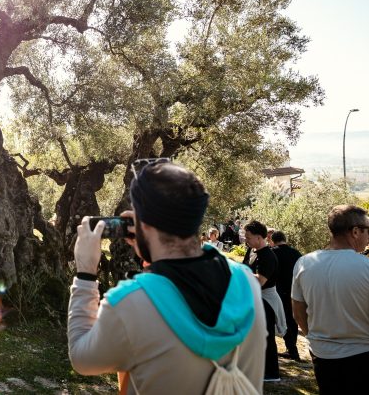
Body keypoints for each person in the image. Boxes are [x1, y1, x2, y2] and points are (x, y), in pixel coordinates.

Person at [68, 161, 266, 393]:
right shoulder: (246, 282)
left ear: (143, 223)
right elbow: (181, 274)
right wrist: (150, 247)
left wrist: (85, 273)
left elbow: (82, 359)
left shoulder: (129, 303)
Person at [292, 205, 369, 393]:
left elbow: (298, 313)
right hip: (367, 358)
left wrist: (316, 340)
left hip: (322, 357)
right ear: (355, 231)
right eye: (368, 231)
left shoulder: (304, 263)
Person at [243, 220, 286, 382]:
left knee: (266, 336)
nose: (246, 239)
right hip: (255, 298)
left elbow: (260, 281)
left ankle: (272, 373)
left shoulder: (268, 256)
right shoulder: (251, 250)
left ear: (259, 237)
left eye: (248, 237)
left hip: (266, 301)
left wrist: (240, 273)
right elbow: (244, 267)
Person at [271, 230, 303, 360]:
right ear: (285, 239)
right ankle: (292, 349)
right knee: (291, 321)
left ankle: (290, 350)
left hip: (277, 291)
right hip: (293, 291)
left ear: (272, 240)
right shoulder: (296, 253)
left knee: (276, 320)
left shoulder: (272, 253)